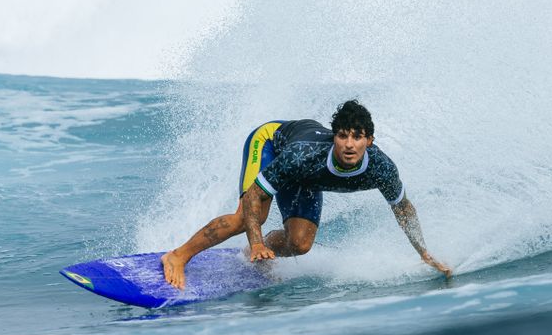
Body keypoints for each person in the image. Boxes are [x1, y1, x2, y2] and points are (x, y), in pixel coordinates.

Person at [161, 99, 452, 289]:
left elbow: (404, 209)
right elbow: (253, 198)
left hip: (306, 178)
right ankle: (177, 256)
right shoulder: (304, 155)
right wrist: (257, 238)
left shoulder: (381, 168)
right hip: (271, 143)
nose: (349, 144)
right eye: (342, 135)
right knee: (248, 218)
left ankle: (257, 254)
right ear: (333, 136)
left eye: (357, 136)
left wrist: (423, 252)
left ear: (370, 140)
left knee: (300, 244)